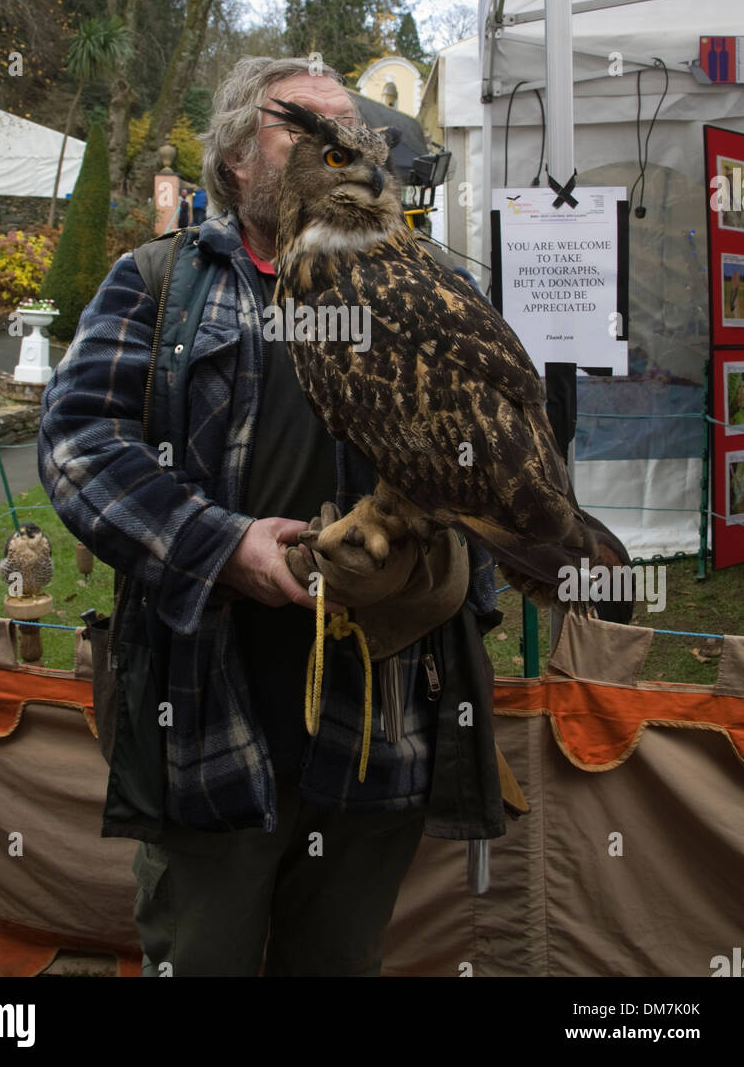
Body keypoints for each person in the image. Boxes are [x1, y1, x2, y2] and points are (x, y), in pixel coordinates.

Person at [38, 56, 506, 978]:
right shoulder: (160, 286)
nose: (338, 146)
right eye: (302, 126)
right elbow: (78, 447)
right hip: (208, 717)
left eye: (354, 132)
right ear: (236, 160)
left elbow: (499, 448)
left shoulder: (421, 286)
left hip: (380, 722)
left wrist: (452, 547)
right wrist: (223, 546)